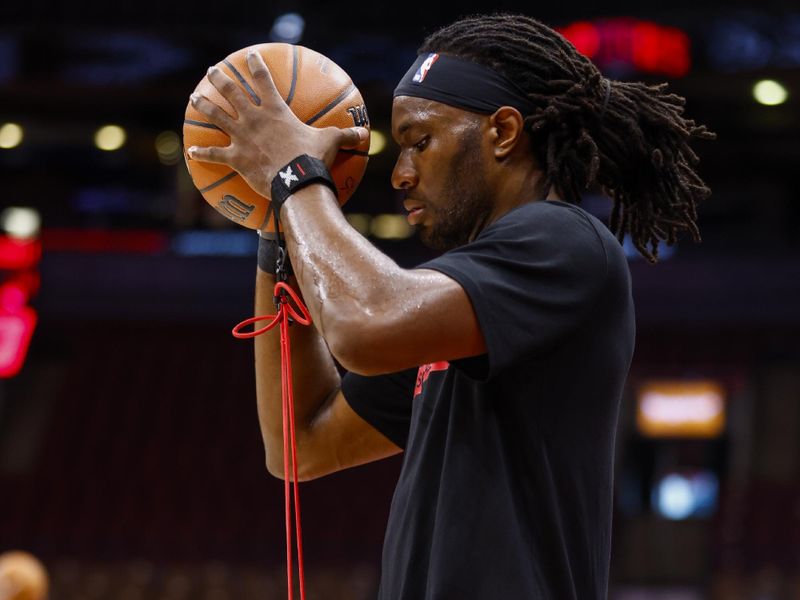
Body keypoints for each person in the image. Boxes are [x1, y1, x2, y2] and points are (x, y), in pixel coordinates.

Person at [187, 12, 715, 599]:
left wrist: (295, 177)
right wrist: (276, 224)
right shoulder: (449, 314)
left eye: (420, 141)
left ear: (504, 132)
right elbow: (299, 443)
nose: (402, 174)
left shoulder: (565, 242)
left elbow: (365, 325)